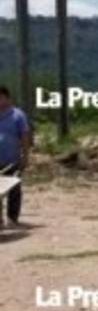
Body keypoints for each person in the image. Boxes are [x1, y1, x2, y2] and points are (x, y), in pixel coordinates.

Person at [0, 85, 32, 226]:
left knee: (14, 189)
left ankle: (12, 218)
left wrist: (25, 156)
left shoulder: (18, 115)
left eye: (0, 98)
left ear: (7, 98)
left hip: (12, 159)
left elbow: (24, 136)